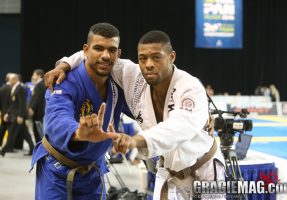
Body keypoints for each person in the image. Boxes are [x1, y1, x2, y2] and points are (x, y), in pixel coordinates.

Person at [47, 30, 225, 200]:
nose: (148, 64)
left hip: (205, 172)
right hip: (169, 173)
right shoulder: (133, 76)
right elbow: (98, 55)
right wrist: (65, 64)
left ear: (171, 57)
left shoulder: (190, 87)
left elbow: (179, 127)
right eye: (143, 58)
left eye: (156, 57)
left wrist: (135, 140)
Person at [31, 22, 126, 200]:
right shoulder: (64, 81)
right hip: (56, 172)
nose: (105, 55)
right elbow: (56, 117)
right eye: (98, 48)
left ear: (118, 54)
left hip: (93, 173)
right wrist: (77, 133)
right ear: (86, 50)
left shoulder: (118, 88)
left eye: (112, 50)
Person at [1, 73, 34, 156]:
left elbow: (22, 104)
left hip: (18, 116)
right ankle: (32, 148)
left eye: (10, 80)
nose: (9, 81)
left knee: (12, 133)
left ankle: (3, 150)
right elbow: (13, 104)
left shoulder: (21, 88)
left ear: (15, 79)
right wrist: (8, 113)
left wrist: (21, 116)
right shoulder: (15, 88)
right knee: (26, 134)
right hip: (15, 115)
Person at [28, 69, 47, 143]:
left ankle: (40, 149)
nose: (32, 76)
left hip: (38, 112)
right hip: (40, 112)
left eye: (34, 74)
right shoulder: (41, 84)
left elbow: (37, 99)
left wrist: (32, 109)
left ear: (39, 75)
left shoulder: (39, 85)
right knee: (39, 132)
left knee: (38, 132)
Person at [0, 73, 12, 147]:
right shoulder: (11, 88)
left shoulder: (2, 88)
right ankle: (9, 147)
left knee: (3, 128)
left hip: (3, 111)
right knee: (11, 130)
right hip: (11, 112)